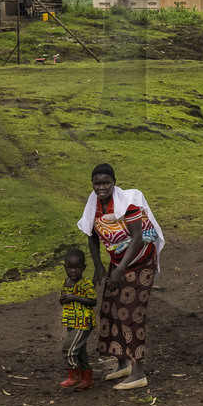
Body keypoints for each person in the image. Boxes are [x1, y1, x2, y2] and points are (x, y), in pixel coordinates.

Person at [80, 163, 164, 391]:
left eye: (106, 182)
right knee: (111, 309)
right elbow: (91, 235)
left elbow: (137, 238)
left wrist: (119, 270)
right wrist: (99, 265)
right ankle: (123, 363)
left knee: (132, 313)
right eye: (97, 183)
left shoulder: (128, 204)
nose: (101, 187)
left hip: (141, 261)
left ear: (114, 183)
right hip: (118, 261)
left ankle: (138, 374)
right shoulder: (94, 204)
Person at [57, 249, 97, 391]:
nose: (73, 271)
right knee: (80, 351)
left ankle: (74, 376)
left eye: (77, 268)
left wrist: (75, 297)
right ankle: (87, 380)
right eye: (70, 268)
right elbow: (64, 300)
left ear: (84, 268)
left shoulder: (86, 284)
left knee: (69, 349)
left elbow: (93, 301)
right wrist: (63, 300)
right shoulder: (65, 283)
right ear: (65, 268)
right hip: (70, 322)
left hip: (83, 322)